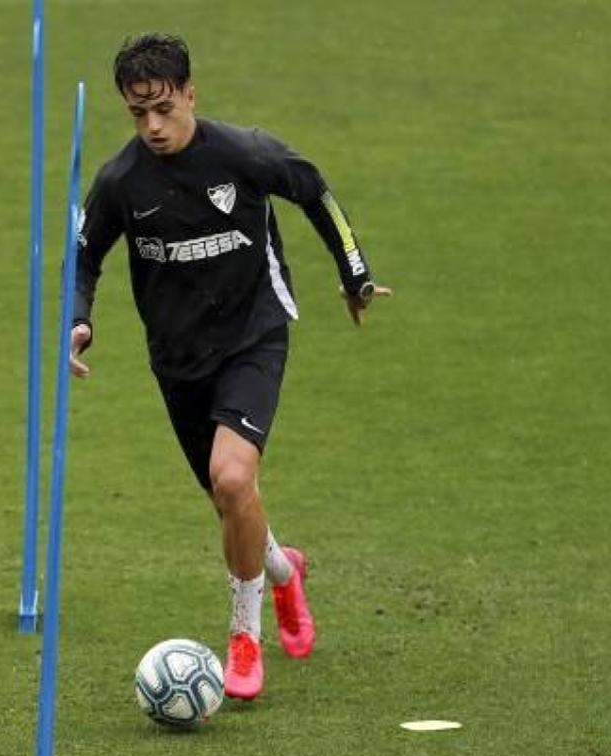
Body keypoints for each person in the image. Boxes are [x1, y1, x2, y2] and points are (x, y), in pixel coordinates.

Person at [69, 33, 390, 700]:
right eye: (138, 113)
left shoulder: (243, 153)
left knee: (231, 475)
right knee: (230, 499)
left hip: (253, 335)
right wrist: (81, 319)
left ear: (190, 94)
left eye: (163, 107)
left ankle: (244, 638)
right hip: (177, 359)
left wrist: (354, 273)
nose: (153, 125)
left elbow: (315, 191)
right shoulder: (121, 182)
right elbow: (84, 255)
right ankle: (282, 570)